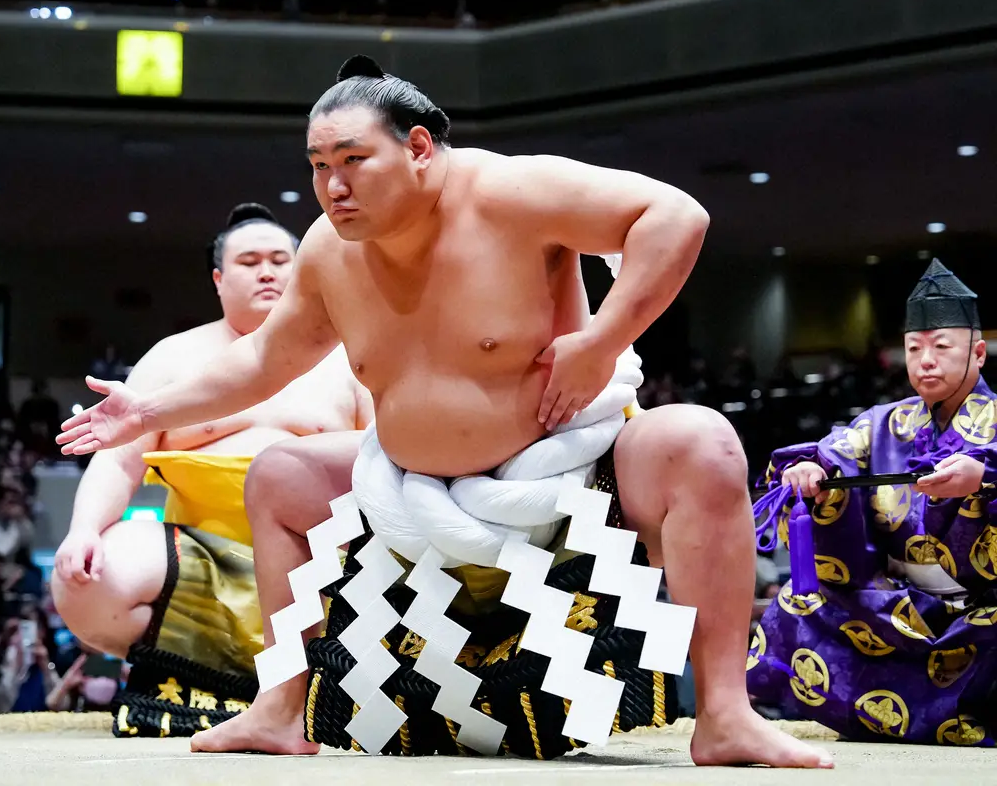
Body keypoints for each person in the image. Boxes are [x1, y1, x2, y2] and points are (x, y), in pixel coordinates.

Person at [56, 56, 829, 767]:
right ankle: (278, 708)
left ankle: (726, 713)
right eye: (320, 166)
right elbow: (263, 362)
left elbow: (673, 215)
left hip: (567, 471)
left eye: (355, 160)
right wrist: (143, 409)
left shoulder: (512, 193)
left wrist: (603, 340)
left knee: (703, 442)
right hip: (406, 494)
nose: (333, 185)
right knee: (280, 475)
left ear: (419, 147)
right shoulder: (329, 251)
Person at [50, 202, 372, 736]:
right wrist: (83, 529)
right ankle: (216, 669)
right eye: (249, 262)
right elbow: (119, 458)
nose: (267, 271)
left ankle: (308, 683)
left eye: (280, 259)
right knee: (89, 578)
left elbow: (393, 457)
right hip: (202, 561)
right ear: (219, 279)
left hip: (326, 564)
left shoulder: (348, 353)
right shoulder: (174, 357)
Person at [749, 259, 996, 745]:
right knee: (799, 603)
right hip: (901, 609)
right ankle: (744, 717)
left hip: (985, 614)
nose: (926, 360)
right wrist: (811, 470)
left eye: (942, 348)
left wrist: (985, 478)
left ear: (979, 354)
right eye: (913, 349)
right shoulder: (883, 422)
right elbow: (833, 451)